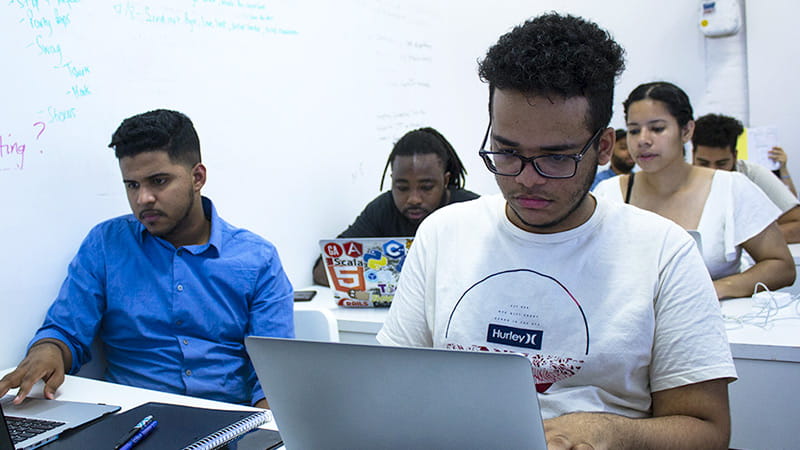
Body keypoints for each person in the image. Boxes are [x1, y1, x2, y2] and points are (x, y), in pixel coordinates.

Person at [378, 13, 737, 449]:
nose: (527, 179)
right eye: (507, 153)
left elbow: (708, 431)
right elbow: (393, 385)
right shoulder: (443, 234)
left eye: (556, 158)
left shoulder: (663, 252)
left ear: (603, 148)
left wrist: (613, 431)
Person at [0, 109, 293, 408]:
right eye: (132, 185)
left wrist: (264, 437)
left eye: (159, 181)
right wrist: (48, 349)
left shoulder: (258, 260)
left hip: (229, 426)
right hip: (128, 421)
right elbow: (65, 330)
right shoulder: (106, 244)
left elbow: (274, 378)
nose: (143, 199)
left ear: (197, 177)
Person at [595, 82, 794, 299]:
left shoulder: (730, 187)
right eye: (634, 130)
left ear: (686, 130)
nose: (643, 140)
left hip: (717, 323)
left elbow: (781, 266)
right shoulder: (609, 194)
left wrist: (713, 290)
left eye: (657, 128)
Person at [312, 127, 479, 285]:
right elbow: (324, 270)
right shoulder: (382, 210)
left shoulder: (472, 211)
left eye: (426, 187)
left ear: (446, 181)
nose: (413, 199)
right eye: (402, 188)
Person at [692, 113, 800, 243]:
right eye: (703, 163)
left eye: (722, 164)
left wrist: (743, 244)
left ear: (735, 156)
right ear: (693, 155)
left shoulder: (752, 174)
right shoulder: (678, 177)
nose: (713, 171)